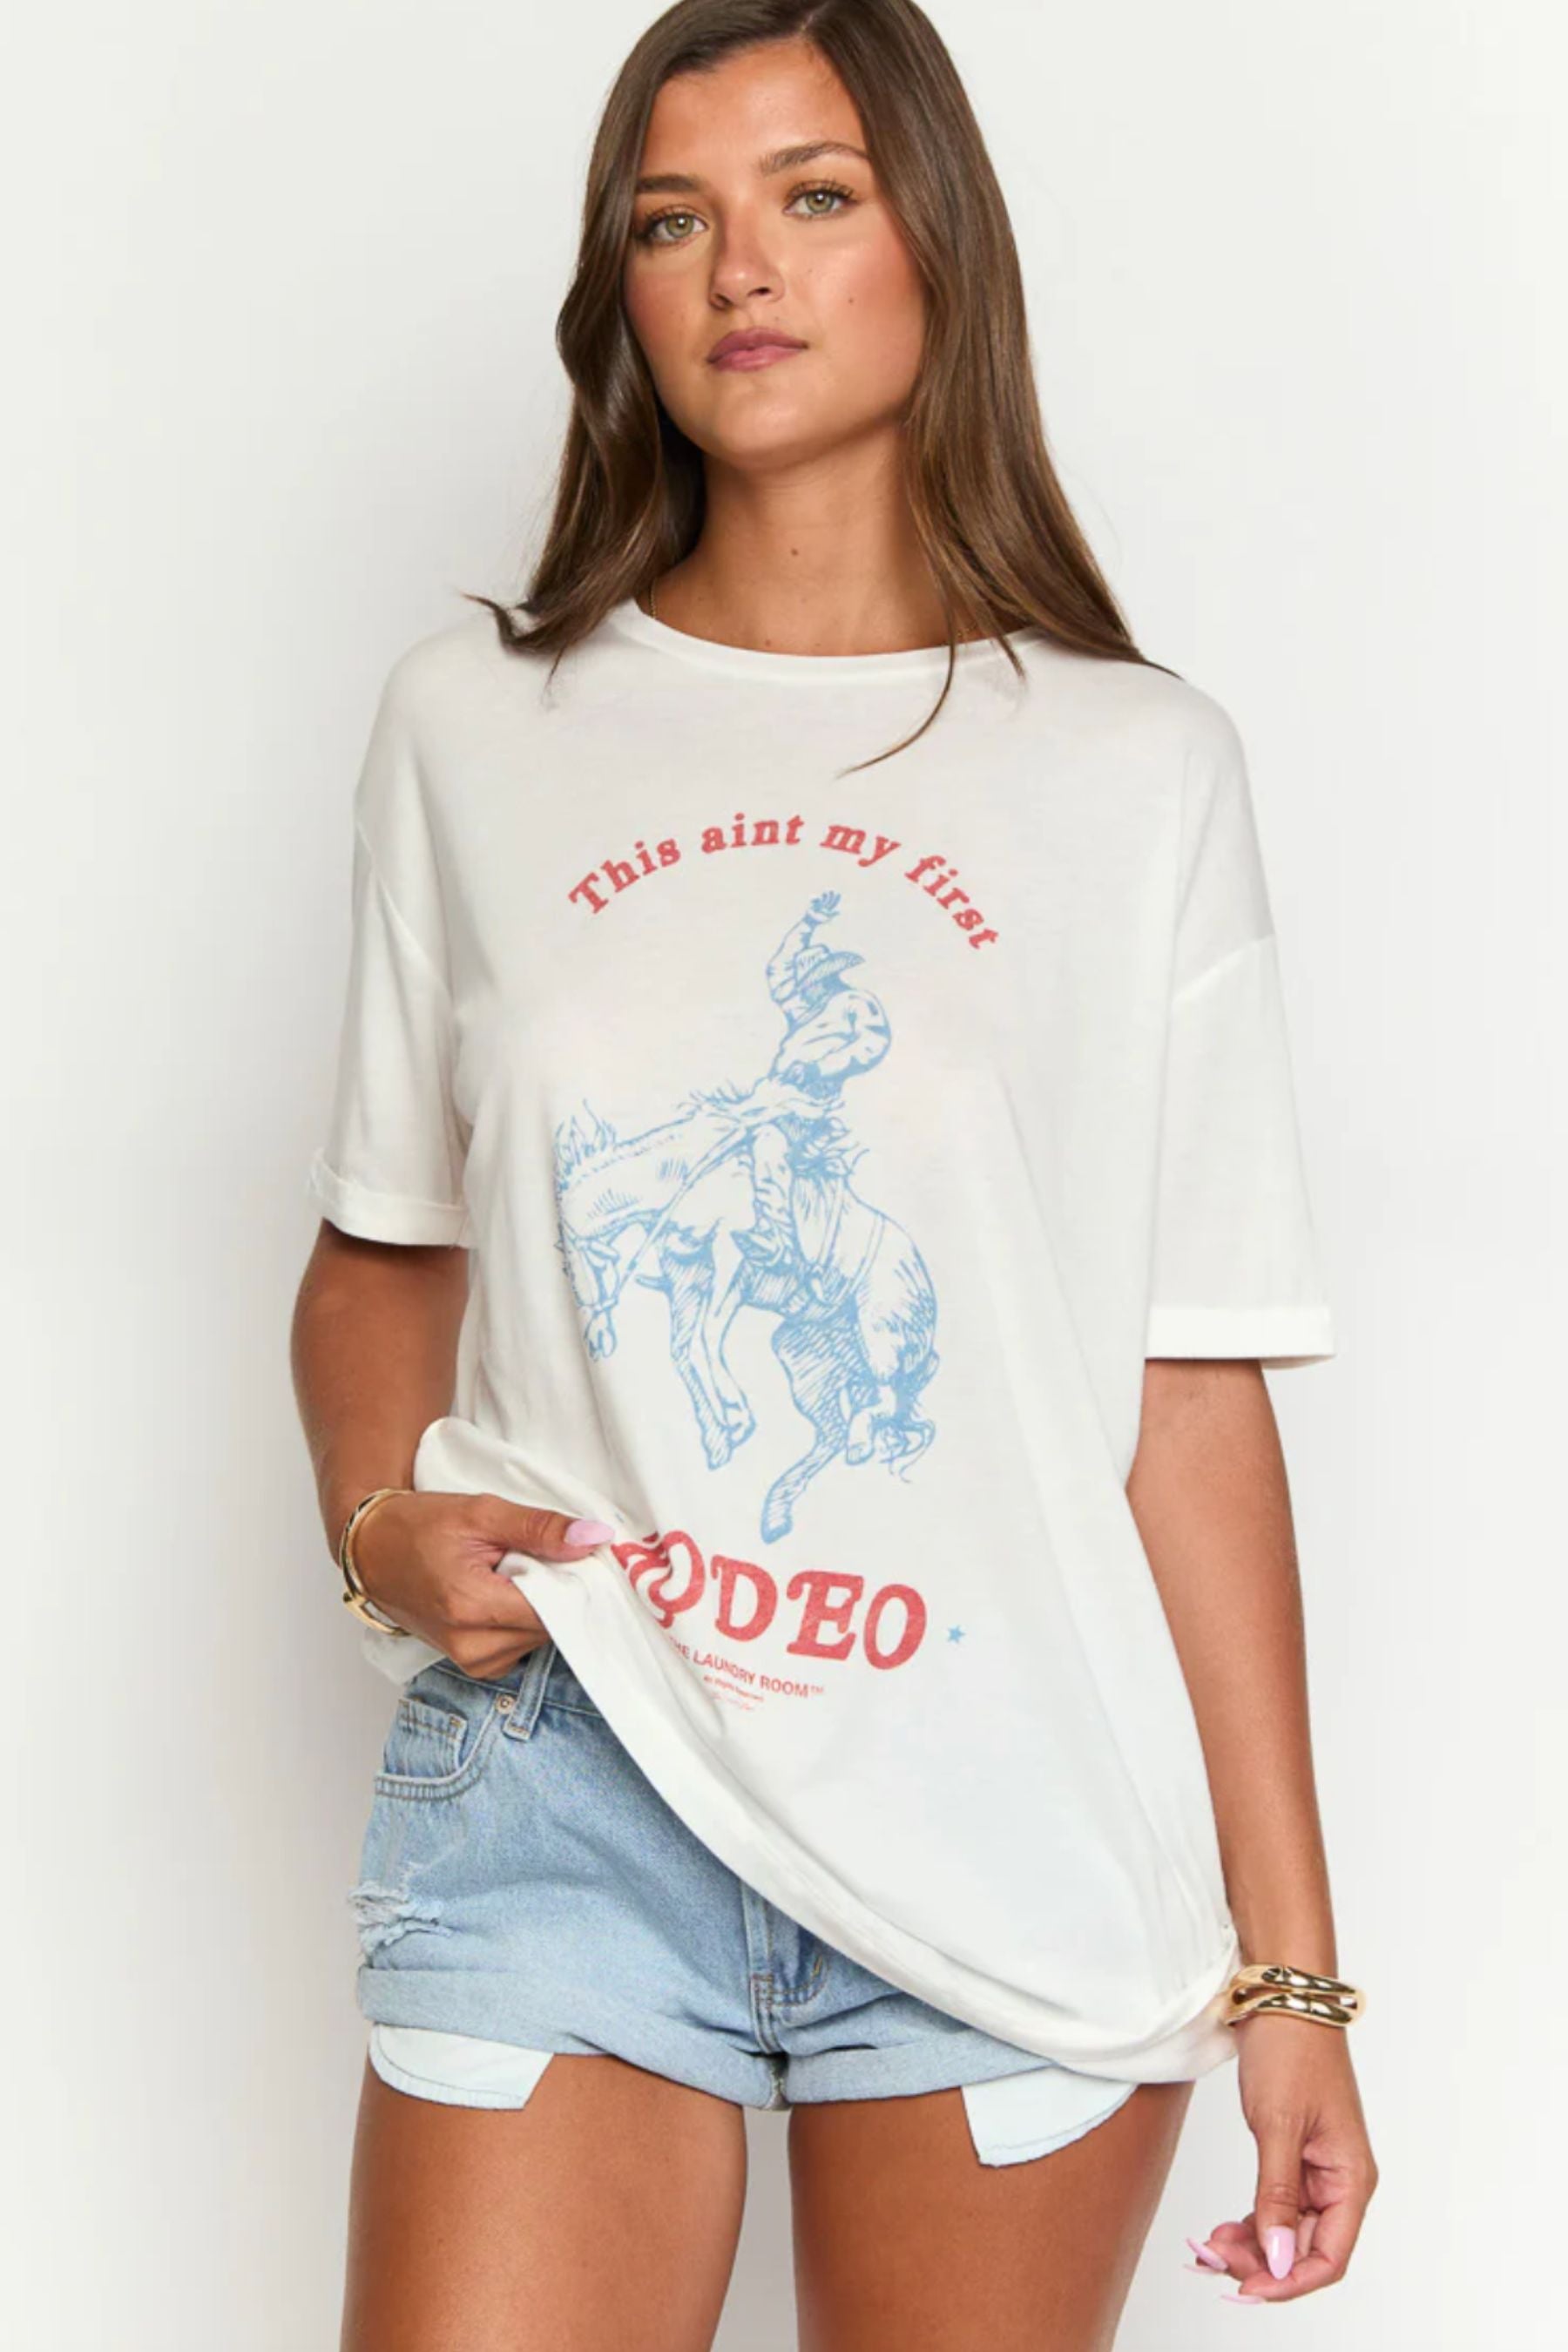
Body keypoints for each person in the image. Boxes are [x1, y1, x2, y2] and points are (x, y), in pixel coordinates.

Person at [290, 3, 1377, 2343]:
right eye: (670, 217)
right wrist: (381, 1528)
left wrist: (1296, 1971)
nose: (740, 269)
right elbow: (381, 1247)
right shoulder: (477, 725)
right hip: (570, 1774)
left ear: (937, 248)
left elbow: (1188, 1393)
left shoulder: (1137, 771)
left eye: (813, 196)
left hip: (1003, 1796)